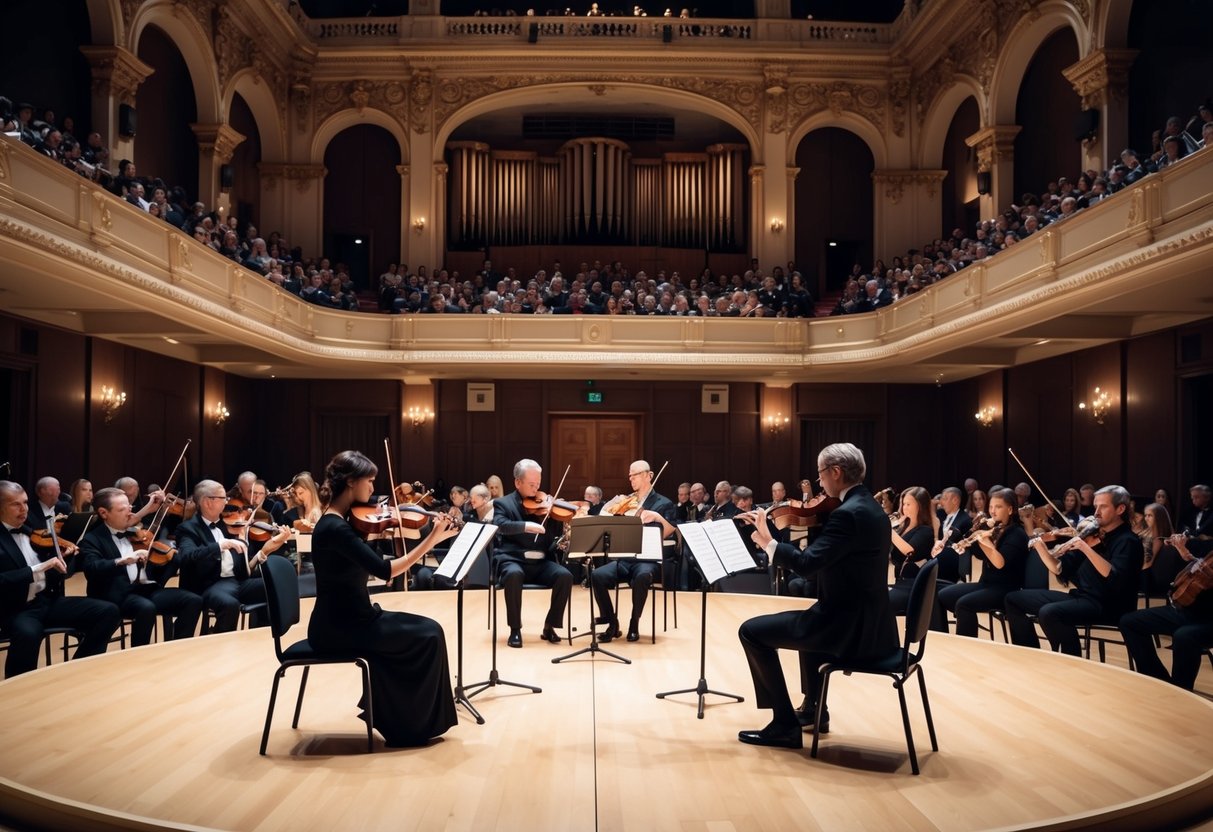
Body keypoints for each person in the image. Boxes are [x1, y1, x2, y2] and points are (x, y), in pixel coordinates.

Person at [737, 443, 898, 749]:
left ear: (836, 472)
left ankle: (784, 725)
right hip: (873, 624)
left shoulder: (848, 515)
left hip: (847, 629)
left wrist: (769, 542)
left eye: (821, 475)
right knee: (806, 619)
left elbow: (807, 566)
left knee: (751, 632)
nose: (820, 483)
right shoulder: (869, 507)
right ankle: (814, 709)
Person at [308, 450, 460, 747]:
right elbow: (385, 570)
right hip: (339, 627)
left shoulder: (342, 522)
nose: (373, 489)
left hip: (355, 618)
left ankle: (407, 720)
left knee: (429, 630)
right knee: (428, 635)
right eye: (370, 481)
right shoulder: (334, 527)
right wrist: (431, 539)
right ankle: (407, 726)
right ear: (351, 482)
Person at [1003, 485, 1143, 655]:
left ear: (1120, 508)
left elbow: (1114, 576)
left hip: (1109, 605)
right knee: (1013, 599)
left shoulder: (1128, 541)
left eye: (1103, 506)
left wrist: (1085, 548)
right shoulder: (1092, 536)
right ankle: (1030, 653)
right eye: (1095, 506)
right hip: (1083, 598)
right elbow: (1059, 569)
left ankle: (1072, 661)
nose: (1096, 512)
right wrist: (1040, 547)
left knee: (1049, 613)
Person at [0, 480, 120, 677]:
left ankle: (77, 670)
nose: (24, 509)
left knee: (108, 612)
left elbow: (60, 574)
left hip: (46, 601)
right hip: (17, 609)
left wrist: (66, 560)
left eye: (26, 502)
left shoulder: (32, 531)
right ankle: (17, 689)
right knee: (28, 634)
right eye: (16, 504)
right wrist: (38, 568)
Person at [79, 487, 203, 645]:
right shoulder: (92, 539)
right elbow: (91, 568)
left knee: (193, 600)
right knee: (146, 608)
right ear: (104, 513)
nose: (130, 513)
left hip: (146, 590)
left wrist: (173, 558)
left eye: (130, 507)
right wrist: (121, 560)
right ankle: (138, 655)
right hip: (117, 595)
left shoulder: (134, 533)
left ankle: (177, 646)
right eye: (123, 509)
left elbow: (151, 527)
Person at [175, 479, 292, 632]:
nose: (227, 502)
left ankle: (261, 634)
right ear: (207, 502)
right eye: (223, 498)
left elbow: (245, 569)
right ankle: (217, 644)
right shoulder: (188, 529)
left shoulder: (229, 525)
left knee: (275, 585)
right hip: (209, 584)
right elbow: (187, 556)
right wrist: (220, 545)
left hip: (236, 581)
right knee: (229, 604)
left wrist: (265, 550)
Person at [491, 459, 574, 648]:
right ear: (517, 482)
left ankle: (550, 625)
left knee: (565, 576)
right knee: (513, 574)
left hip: (541, 562)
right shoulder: (503, 504)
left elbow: (552, 538)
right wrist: (526, 526)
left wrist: (556, 518)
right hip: (513, 560)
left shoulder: (545, 505)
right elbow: (499, 525)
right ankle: (515, 629)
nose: (536, 489)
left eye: (538, 484)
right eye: (531, 484)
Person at [591, 460, 676, 642]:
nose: (631, 479)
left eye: (635, 474)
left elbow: (669, 532)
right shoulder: (628, 501)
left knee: (642, 576)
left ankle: (634, 622)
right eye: (629, 475)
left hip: (648, 560)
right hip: (626, 557)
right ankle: (612, 623)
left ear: (648, 475)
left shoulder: (664, 503)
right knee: (597, 576)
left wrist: (657, 516)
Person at [1119, 533, 1213, 691]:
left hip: (1209, 621)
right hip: (1188, 610)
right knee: (1130, 622)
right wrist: (1187, 553)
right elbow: (1200, 552)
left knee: (1184, 636)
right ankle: (1158, 681)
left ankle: (1181, 691)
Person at [936, 487, 1027, 637]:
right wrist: (974, 534)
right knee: (942, 595)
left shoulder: (1017, 534)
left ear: (1010, 510)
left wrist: (985, 540)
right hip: (986, 584)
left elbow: (999, 563)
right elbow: (980, 555)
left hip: (1005, 589)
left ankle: (967, 648)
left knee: (964, 604)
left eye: (998, 507)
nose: (993, 511)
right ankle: (941, 637)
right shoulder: (996, 529)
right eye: (991, 507)